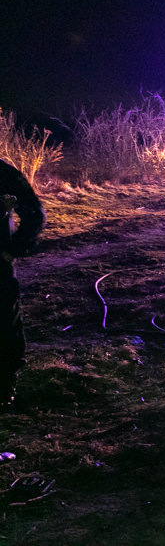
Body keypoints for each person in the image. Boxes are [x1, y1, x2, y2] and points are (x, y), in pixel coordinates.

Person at [1, 160, 45, 407]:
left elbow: (34, 212)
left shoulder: (3, 173)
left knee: (5, 324)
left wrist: (13, 249)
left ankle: (5, 387)